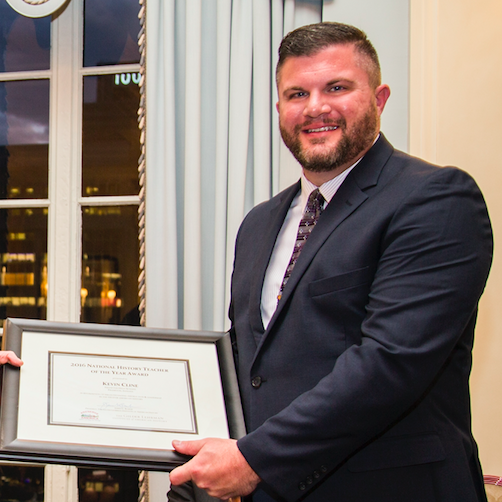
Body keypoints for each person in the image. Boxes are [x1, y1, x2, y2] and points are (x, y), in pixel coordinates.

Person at [168, 22, 493, 501]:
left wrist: (256, 460)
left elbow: (390, 363)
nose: (315, 107)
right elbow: (247, 369)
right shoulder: (259, 224)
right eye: (297, 93)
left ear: (379, 99)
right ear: (280, 109)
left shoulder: (435, 198)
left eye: (337, 87)